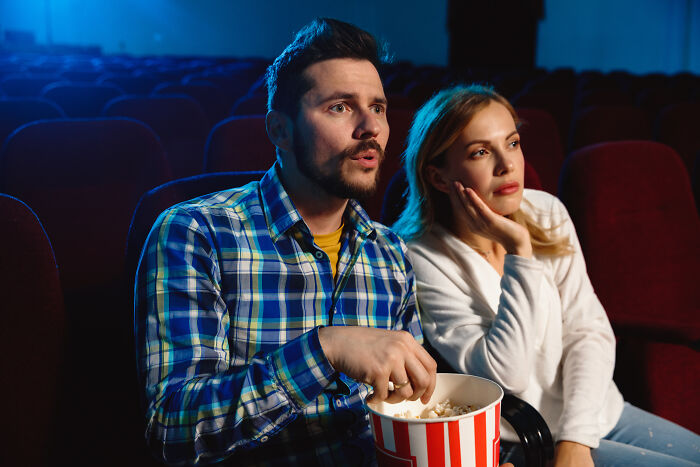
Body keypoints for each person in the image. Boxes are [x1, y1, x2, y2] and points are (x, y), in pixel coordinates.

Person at [135, 18, 438, 466]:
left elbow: (408, 409)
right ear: (280, 131)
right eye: (340, 107)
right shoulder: (196, 233)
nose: (370, 127)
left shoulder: (389, 252)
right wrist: (326, 349)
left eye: (378, 107)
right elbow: (173, 431)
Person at [393, 84, 700, 466]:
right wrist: (520, 252)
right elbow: (509, 377)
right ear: (439, 178)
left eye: (513, 143)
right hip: (522, 435)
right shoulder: (420, 256)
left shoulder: (546, 211)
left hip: (592, 411)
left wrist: (576, 439)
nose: (507, 165)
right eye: (481, 152)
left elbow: (588, 331)